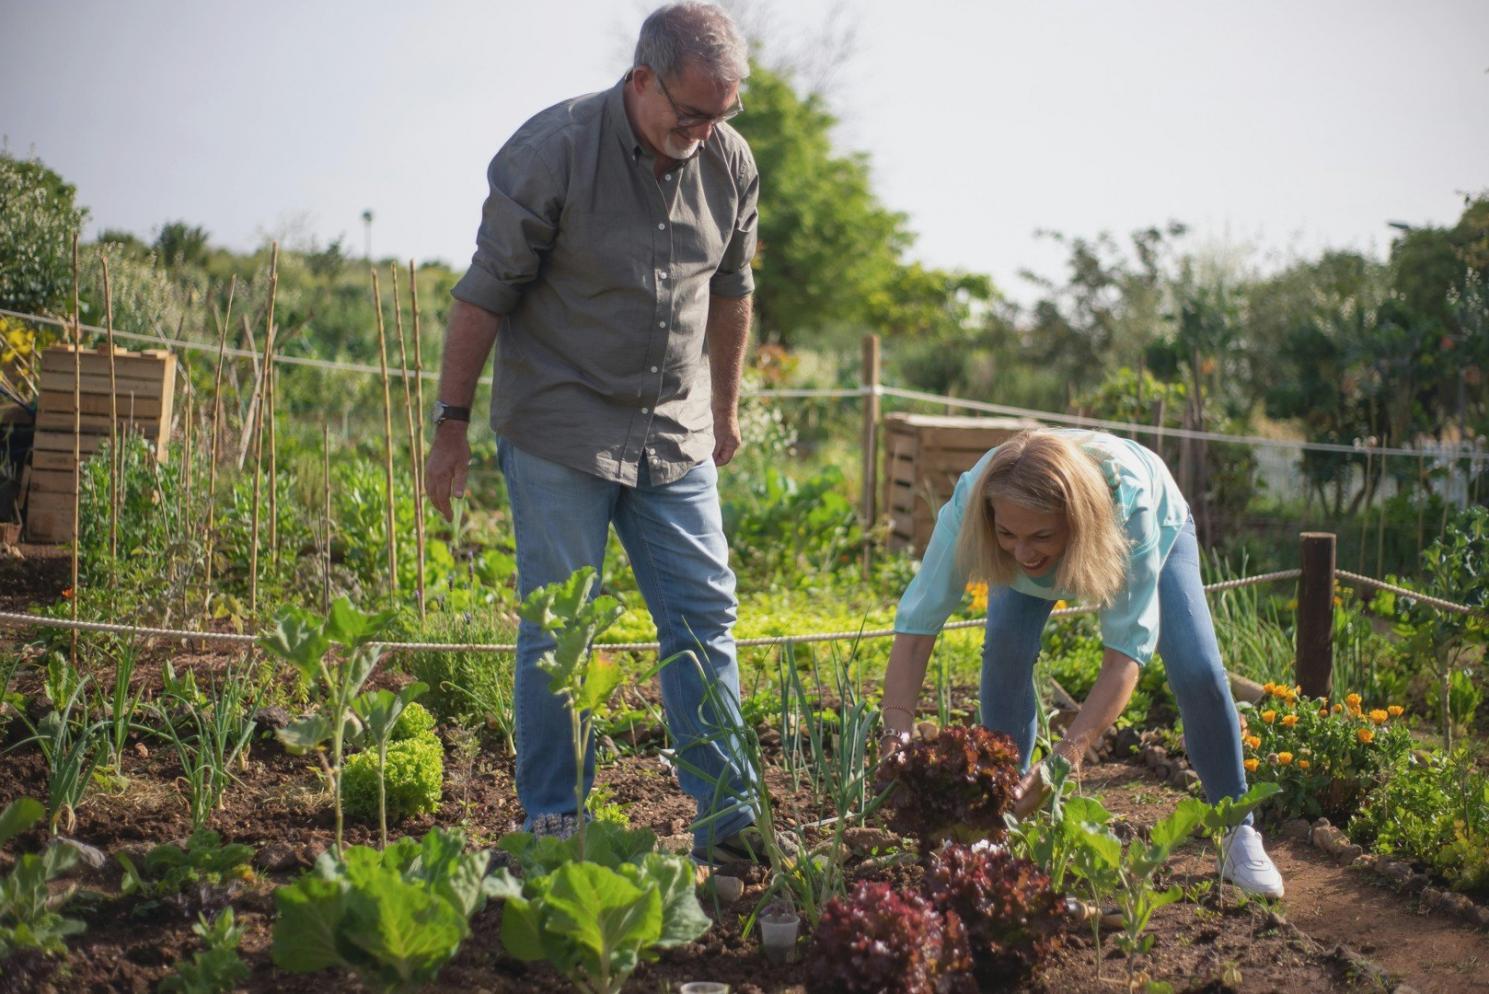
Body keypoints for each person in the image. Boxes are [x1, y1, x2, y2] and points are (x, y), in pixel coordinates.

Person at [424, 2, 760, 863]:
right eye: (689, 112)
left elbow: (730, 289)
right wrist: (450, 425)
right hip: (559, 425)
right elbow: (482, 292)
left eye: (721, 115)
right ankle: (554, 822)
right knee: (562, 626)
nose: (703, 132)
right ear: (640, 78)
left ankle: (729, 823)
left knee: (703, 616)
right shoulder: (554, 149)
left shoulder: (728, 162)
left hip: (673, 430)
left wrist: (722, 409)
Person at [879, 427, 1285, 897]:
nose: (1024, 552)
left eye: (1041, 535)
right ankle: (999, 819)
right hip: (1045, 532)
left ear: (1073, 521)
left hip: (1148, 526)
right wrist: (896, 734)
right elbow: (916, 629)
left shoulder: (1129, 510)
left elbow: (1124, 657)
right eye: (1007, 532)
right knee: (1005, 657)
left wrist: (1063, 762)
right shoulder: (976, 501)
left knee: (1198, 672)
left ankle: (1238, 829)